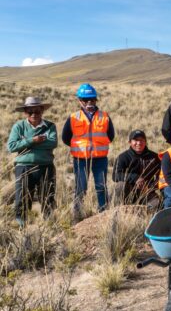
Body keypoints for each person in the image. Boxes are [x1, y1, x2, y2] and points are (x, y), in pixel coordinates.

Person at [62, 83, 115, 217]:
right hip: (80, 159)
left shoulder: (105, 116)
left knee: (101, 186)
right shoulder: (74, 117)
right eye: (85, 100)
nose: (89, 102)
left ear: (96, 100)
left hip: (100, 158)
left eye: (92, 99)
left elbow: (111, 136)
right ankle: (78, 214)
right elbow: (65, 137)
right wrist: (79, 148)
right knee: (81, 188)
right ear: (79, 101)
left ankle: (103, 212)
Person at [7, 96, 57, 226]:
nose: (34, 114)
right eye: (30, 112)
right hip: (23, 168)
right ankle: (21, 226)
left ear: (42, 111)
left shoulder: (50, 126)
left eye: (37, 111)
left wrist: (25, 143)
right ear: (25, 112)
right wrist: (32, 140)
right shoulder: (18, 127)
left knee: (48, 198)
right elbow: (12, 146)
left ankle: (49, 225)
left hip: (46, 167)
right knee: (22, 199)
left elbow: (52, 143)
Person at [112, 129, 161, 209]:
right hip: (129, 192)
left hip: (147, 193)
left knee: (156, 203)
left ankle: (143, 215)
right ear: (130, 142)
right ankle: (120, 211)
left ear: (145, 142)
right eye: (136, 140)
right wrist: (135, 178)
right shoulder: (123, 157)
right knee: (120, 185)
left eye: (142, 140)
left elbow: (162, 176)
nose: (139, 143)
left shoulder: (154, 157)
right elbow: (115, 175)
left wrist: (151, 187)